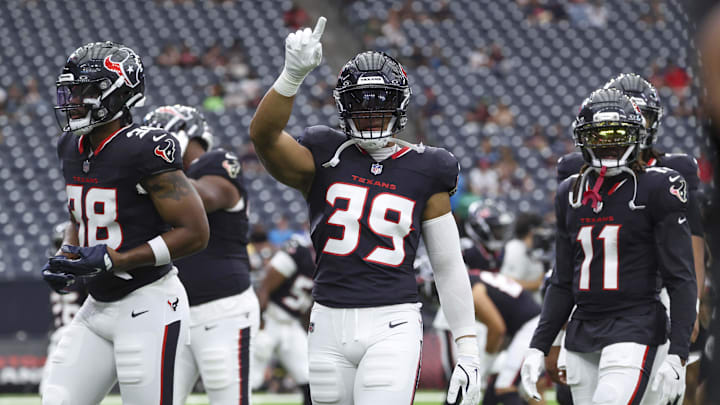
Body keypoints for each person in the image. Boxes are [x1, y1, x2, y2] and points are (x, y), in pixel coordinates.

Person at [248, 17, 481, 405]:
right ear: (342, 108)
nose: (371, 115)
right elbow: (263, 136)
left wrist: (468, 349)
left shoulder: (428, 167)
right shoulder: (325, 154)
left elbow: (447, 264)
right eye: (360, 106)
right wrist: (291, 76)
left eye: (381, 105)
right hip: (326, 320)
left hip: (392, 320)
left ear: (400, 106)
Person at [41, 41, 209, 405]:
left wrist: (118, 260)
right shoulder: (71, 146)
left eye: (84, 91)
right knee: (57, 398)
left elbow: (195, 233)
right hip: (97, 305)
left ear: (116, 94)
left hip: (148, 302)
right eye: (71, 90)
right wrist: (68, 253)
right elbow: (80, 216)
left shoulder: (145, 147)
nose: (73, 100)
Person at [521, 88, 697, 405]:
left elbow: (680, 277)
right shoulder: (570, 193)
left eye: (617, 134)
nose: (609, 144)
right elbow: (562, 280)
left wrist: (678, 352)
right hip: (583, 328)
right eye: (598, 136)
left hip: (635, 324)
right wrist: (540, 344)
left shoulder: (657, 186)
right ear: (582, 139)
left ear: (637, 136)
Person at [143, 105, 260, 404]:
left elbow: (203, 196)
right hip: (171, 312)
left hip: (222, 309)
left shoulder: (217, 162)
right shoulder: (157, 183)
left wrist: (147, 178)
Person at [252, 234, 314, 405]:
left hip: (291, 324)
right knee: (250, 380)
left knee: (309, 376)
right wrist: (260, 325)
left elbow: (310, 308)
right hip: (270, 318)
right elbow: (265, 285)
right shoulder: (300, 250)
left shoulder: (330, 264)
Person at [39, 221, 88, 394]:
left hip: (63, 333)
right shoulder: (83, 275)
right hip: (81, 331)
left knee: (51, 388)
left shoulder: (54, 274)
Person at [461, 199, 514, 272]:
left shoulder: (500, 251)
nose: (500, 233)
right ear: (480, 228)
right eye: (496, 229)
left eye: (501, 229)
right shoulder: (468, 252)